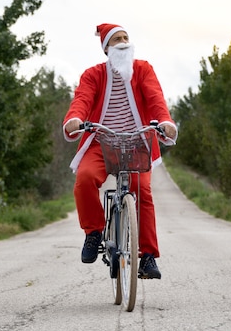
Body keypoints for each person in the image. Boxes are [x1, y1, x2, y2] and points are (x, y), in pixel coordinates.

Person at [63, 23, 177, 279]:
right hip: (101, 142)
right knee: (85, 178)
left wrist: (166, 122)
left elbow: (156, 99)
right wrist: (74, 119)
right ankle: (93, 233)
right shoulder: (93, 75)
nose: (124, 41)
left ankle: (147, 257)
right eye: (117, 39)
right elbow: (81, 100)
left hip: (137, 143)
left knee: (142, 191)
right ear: (106, 49)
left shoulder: (143, 69)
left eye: (126, 37)